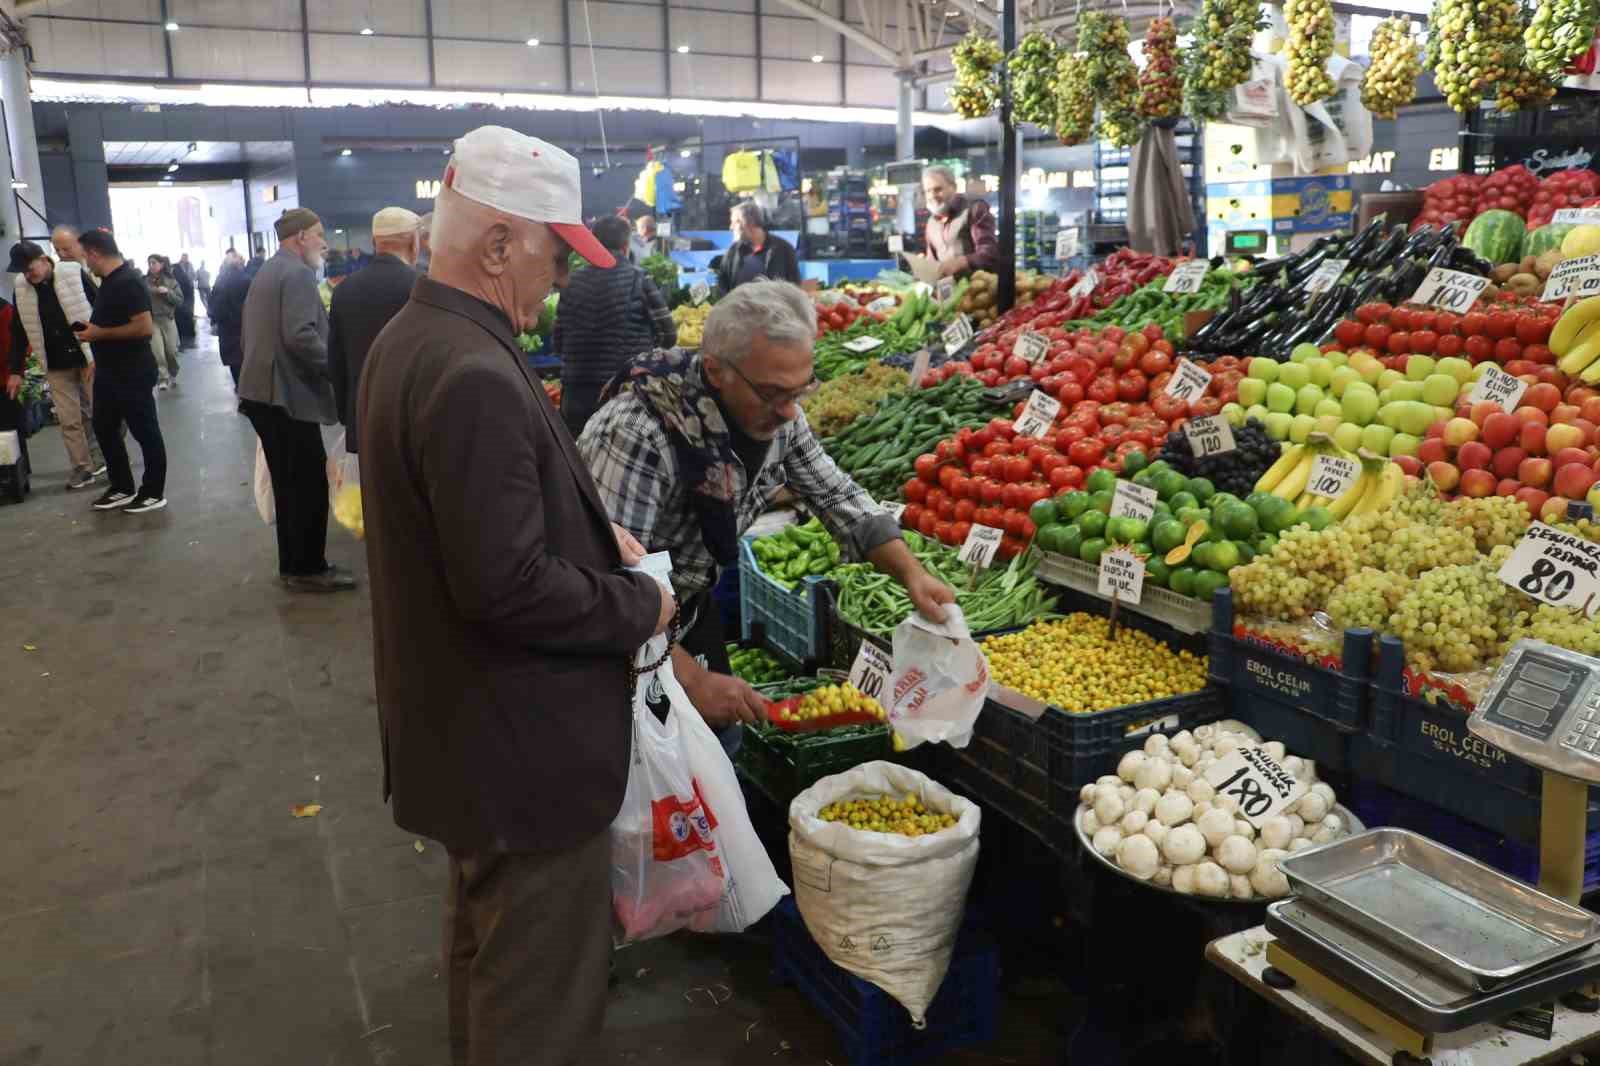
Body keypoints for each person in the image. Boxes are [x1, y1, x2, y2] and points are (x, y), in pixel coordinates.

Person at [358, 126, 675, 1066]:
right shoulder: (475, 373)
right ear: (499, 245)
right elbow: (505, 587)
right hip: (518, 755)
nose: (560, 281)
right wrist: (638, 605)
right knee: (539, 997)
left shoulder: (413, 338)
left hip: (460, 736)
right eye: (551, 253)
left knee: (486, 957)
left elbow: (470, 529)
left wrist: (585, 536)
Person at [579, 279, 955, 740]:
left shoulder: (778, 417)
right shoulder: (640, 430)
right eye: (774, 394)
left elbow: (836, 494)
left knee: (718, 752)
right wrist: (691, 680)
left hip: (687, 609)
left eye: (801, 391)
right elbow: (604, 583)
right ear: (717, 372)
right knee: (652, 770)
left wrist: (912, 575)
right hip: (619, 636)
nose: (790, 412)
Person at [238, 208, 351, 593]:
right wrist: (338, 368)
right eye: (318, 234)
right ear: (300, 237)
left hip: (262, 393)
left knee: (289, 484)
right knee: (307, 485)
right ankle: (309, 569)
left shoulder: (270, 270)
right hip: (282, 397)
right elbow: (300, 336)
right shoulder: (298, 274)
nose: (323, 242)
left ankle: (295, 565)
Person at [554, 215, 676, 438]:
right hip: (623, 393)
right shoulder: (638, 278)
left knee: (576, 465)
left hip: (576, 393)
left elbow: (558, 339)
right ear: (626, 244)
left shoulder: (571, 282)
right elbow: (669, 334)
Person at [75, 228, 168, 514]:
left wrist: (98, 334)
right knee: (103, 427)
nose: (84, 263)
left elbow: (143, 327)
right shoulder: (110, 282)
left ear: (94, 253)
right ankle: (122, 486)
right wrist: (95, 356)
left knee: (145, 431)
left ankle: (153, 491)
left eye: (83, 257)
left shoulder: (128, 282)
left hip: (132, 372)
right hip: (109, 371)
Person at [8, 241, 106, 490]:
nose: (27, 275)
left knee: (101, 412)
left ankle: (107, 458)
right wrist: (15, 371)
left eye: (30, 268)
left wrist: (107, 345)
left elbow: (101, 305)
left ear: (43, 259)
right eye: (23, 271)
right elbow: (18, 331)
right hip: (54, 363)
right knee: (68, 419)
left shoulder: (72, 272)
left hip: (88, 356)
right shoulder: (21, 288)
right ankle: (82, 468)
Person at [328, 206, 419, 453]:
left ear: (373, 241)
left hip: (362, 417)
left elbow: (336, 363)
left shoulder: (344, 291)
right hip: (413, 424)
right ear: (414, 242)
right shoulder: (422, 288)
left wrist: (348, 415)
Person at [920, 165, 999, 279]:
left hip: (979, 289)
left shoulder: (974, 210)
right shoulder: (931, 223)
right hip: (948, 294)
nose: (932, 195)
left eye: (938, 189)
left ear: (954, 187)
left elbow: (990, 253)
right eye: (928, 191)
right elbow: (932, 262)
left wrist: (962, 262)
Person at [716, 201, 800, 292]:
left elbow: (794, 286)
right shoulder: (733, 252)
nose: (731, 227)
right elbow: (723, 285)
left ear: (750, 222)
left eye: (735, 222)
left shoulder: (783, 249)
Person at [209, 250, 254, 387]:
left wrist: (215, 321)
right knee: (246, 361)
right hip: (245, 328)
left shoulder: (220, 280)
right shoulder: (247, 280)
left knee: (235, 363)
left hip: (227, 329)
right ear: (241, 264)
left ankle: (239, 389)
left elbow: (213, 306)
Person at [145, 255, 182, 389]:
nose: (151, 266)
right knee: (158, 352)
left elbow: (179, 300)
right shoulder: (144, 282)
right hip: (152, 320)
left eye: (154, 263)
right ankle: (163, 378)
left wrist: (168, 292)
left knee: (171, 351)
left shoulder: (171, 281)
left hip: (168, 319)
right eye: (149, 263)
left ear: (161, 264)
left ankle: (173, 372)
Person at [173, 253, 197, 348]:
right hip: (184, 292)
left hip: (188, 291)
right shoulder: (177, 267)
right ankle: (188, 336)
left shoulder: (189, 265)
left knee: (188, 313)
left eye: (186, 257)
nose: (185, 259)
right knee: (186, 314)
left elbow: (193, 275)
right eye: (184, 257)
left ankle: (188, 337)